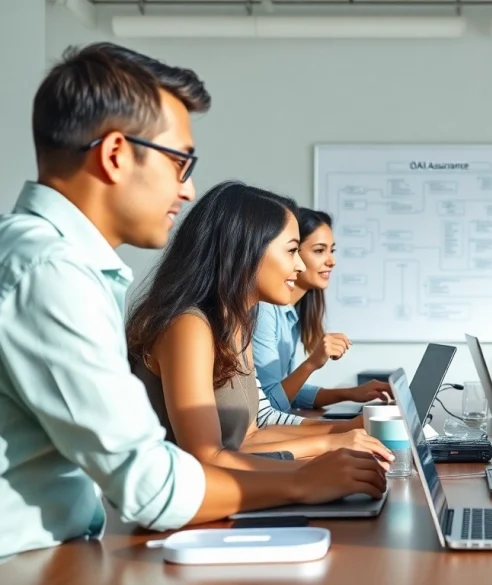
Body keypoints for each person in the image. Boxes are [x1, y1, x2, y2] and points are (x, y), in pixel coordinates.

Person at [0, 43, 384, 558]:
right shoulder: (49, 272)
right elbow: (149, 486)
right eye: (180, 161)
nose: (187, 189)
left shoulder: (46, 259)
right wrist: (303, 481)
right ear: (115, 154)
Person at [126, 181, 392, 468]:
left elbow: (250, 435)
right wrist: (326, 448)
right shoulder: (188, 326)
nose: (300, 266)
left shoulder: (236, 325)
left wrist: (349, 430)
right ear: (245, 251)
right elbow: (205, 459)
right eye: (291, 251)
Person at [254, 208, 391, 412]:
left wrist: (351, 393)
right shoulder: (264, 312)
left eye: (331, 250)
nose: (331, 261)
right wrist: (312, 363)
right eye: (319, 250)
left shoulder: (290, 314)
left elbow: (288, 391)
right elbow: (269, 404)